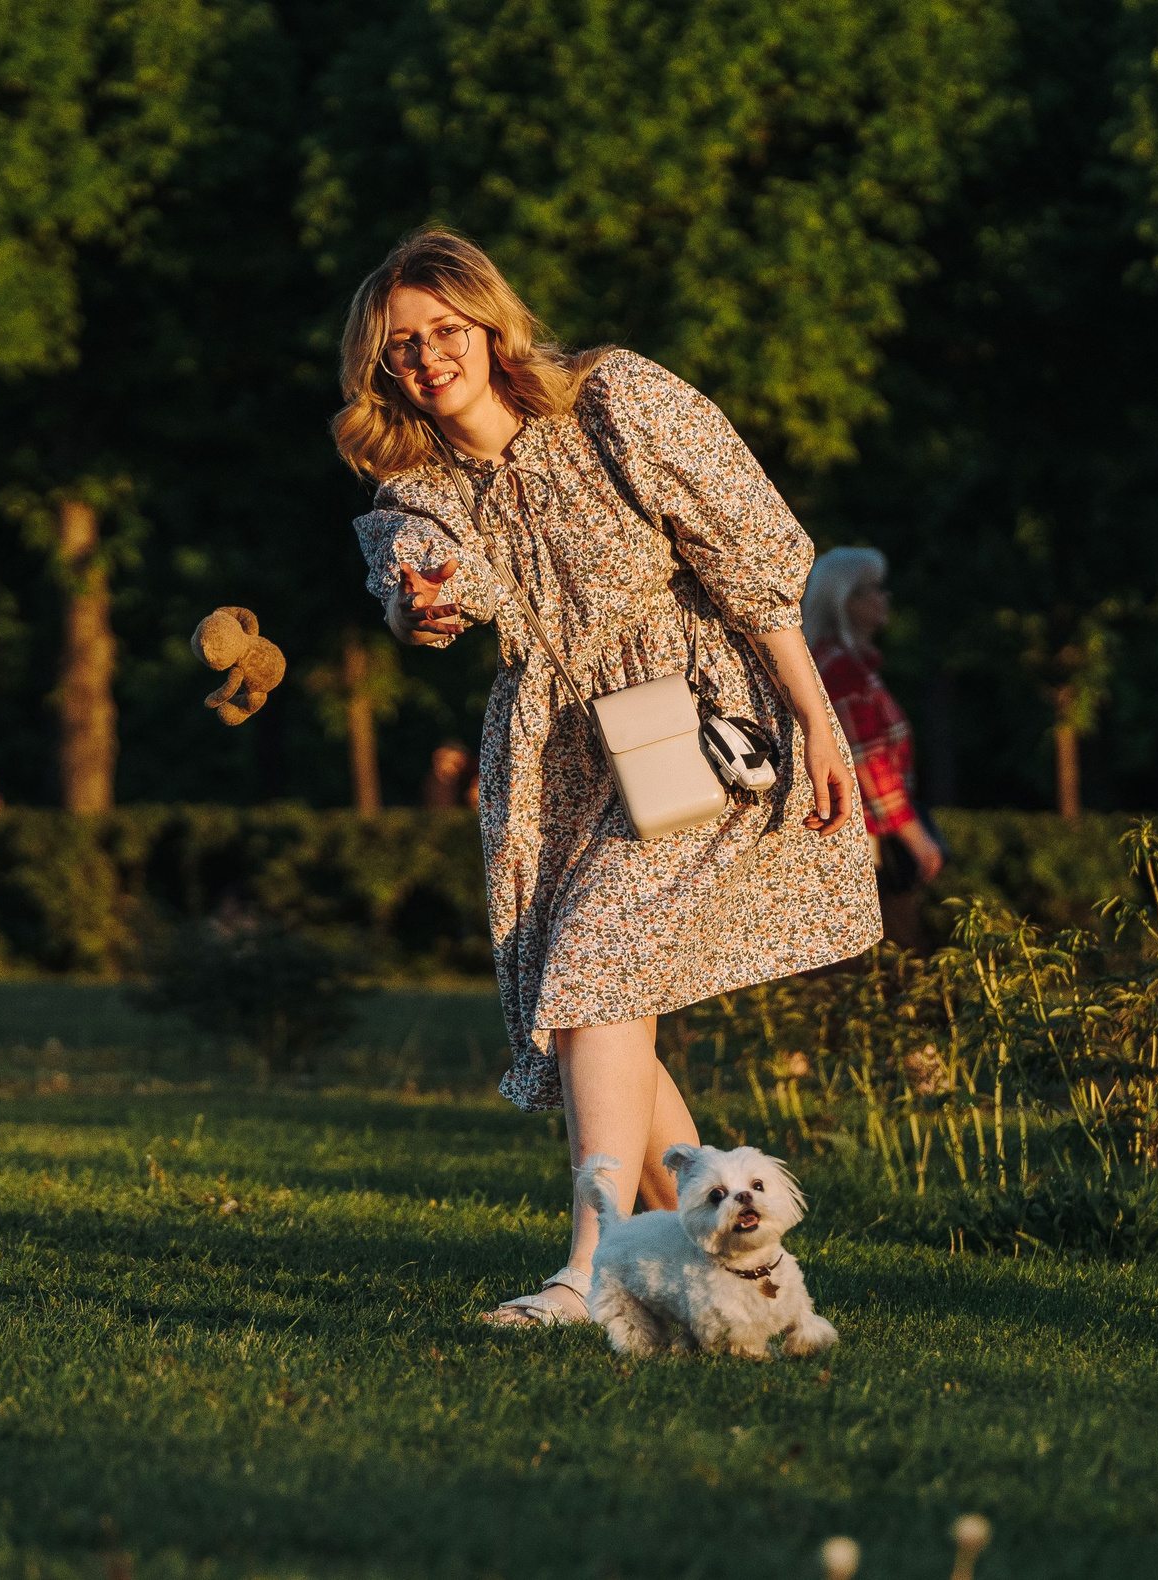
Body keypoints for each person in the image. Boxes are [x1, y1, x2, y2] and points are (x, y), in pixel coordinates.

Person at [338, 228, 881, 1326]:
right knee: (600, 997)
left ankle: (585, 1274)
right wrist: (418, 600)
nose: (428, 358)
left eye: (446, 330)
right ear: (379, 365)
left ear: (492, 326)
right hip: (565, 754)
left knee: (591, 972)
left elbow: (756, 561)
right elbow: (422, 575)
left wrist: (821, 725)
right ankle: (719, 1272)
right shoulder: (419, 478)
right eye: (402, 346)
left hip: (695, 720)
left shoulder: (613, 399)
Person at [803, 547, 944, 946]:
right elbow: (868, 760)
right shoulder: (841, 669)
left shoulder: (842, 662)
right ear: (845, 600)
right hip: (865, 843)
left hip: (856, 839)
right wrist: (916, 838)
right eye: (875, 588)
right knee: (895, 961)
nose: (886, 597)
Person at [423, 740, 477, 809]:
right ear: (438, 756)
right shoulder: (429, 785)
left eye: (460, 766)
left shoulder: (462, 786)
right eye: (454, 763)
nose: (455, 770)